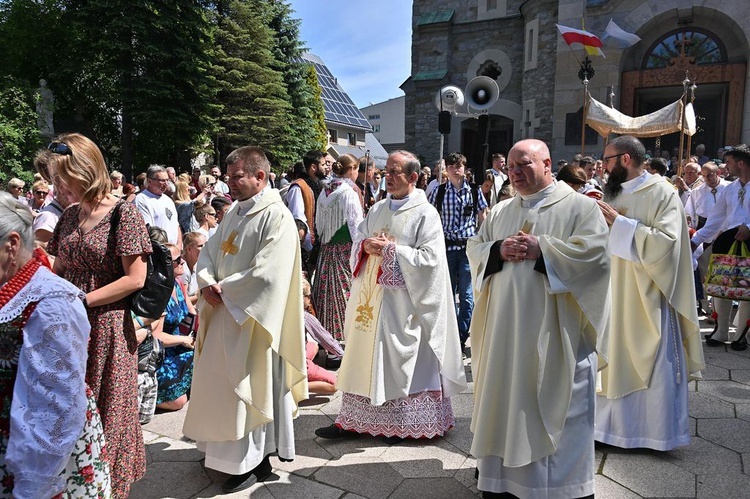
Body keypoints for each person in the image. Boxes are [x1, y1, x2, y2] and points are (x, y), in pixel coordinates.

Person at [467, 139, 610, 499]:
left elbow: (596, 258)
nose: (514, 172)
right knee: (506, 402)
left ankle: (562, 489)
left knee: (555, 405)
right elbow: (476, 249)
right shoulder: (500, 212)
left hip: (555, 334)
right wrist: (497, 250)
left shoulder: (580, 208)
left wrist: (543, 249)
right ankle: (500, 484)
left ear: (547, 164)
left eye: (524, 164)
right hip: (504, 334)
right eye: (511, 166)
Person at [315, 150, 467, 442]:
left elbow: (431, 261)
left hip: (405, 305)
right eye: (387, 171)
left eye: (395, 172)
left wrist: (392, 251)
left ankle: (404, 424)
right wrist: (365, 246)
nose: (388, 176)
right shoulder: (378, 208)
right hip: (371, 301)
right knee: (362, 355)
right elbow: (359, 237)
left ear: (413, 177)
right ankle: (353, 420)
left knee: (399, 361)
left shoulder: (426, 213)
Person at [183, 146, 307, 494]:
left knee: (249, 390)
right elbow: (208, 251)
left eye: (236, 176)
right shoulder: (236, 211)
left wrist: (224, 290)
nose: (230, 182)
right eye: (228, 176)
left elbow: (270, 275)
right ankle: (219, 452)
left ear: (260, 176)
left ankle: (251, 460)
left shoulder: (277, 216)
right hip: (223, 311)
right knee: (221, 389)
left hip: (251, 322)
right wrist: (206, 282)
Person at [47, 133, 151, 498]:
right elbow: (57, 267)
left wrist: (81, 300)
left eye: (61, 177)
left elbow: (135, 278)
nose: (56, 185)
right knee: (71, 409)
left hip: (105, 328)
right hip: (69, 327)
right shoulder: (70, 215)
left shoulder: (124, 213)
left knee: (108, 411)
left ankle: (112, 488)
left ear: (84, 170)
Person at [595, 135, 705, 451]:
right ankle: (605, 431)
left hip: (648, 294)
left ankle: (650, 434)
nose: (604, 166)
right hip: (612, 289)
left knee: (650, 358)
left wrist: (620, 224)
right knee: (610, 357)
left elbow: (668, 245)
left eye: (608, 160)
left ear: (625, 159)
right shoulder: (611, 192)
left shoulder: (662, 193)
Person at [0, 192, 111, 498]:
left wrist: (36, 478)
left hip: (41, 446)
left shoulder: (52, 302)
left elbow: (57, 399)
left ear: (11, 244)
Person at [428, 152, 489, 354]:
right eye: (452, 165)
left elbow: (484, 216)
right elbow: (427, 216)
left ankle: (461, 336)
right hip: (445, 247)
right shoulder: (438, 191)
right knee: (447, 293)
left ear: (465, 168)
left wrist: (484, 241)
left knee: (467, 295)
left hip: (467, 247)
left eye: (459, 165)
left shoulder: (473, 190)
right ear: (446, 169)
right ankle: (452, 335)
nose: (455, 168)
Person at [691, 146, 750, 347]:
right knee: (721, 283)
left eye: (729, 162)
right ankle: (721, 330)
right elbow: (715, 220)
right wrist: (696, 241)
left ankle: (742, 333)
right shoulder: (730, 189)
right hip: (727, 240)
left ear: (741, 163)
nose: (726, 167)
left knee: (747, 286)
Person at [312, 154, 364, 342]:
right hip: (344, 251)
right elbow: (356, 225)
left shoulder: (325, 191)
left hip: (326, 250)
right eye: (357, 169)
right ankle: (344, 340)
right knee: (345, 294)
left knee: (326, 293)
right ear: (351, 170)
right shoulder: (347, 192)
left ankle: (328, 340)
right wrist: (360, 250)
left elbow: (318, 224)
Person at [154, 244, 197, 411]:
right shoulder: (158, 291)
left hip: (181, 346)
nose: (183, 262)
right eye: (177, 260)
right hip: (162, 353)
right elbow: (157, 337)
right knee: (178, 402)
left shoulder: (178, 283)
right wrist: (185, 340)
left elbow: (192, 315)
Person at [302, 279, 343, 395]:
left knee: (313, 345)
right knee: (335, 385)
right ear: (302, 297)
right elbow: (327, 341)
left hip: (281, 361)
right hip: (300, 365)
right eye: (309, 296)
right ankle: (295, 388)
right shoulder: (305, 317)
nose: (310, 299)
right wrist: (345, 356)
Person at [135, 165, 182, 246]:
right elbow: (147, 231)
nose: (166, 184)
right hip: (158, 251)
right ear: (150, 181)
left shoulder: (168, 200)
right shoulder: (142, 200)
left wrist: (179, 246)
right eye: (162, 181)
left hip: (174, 251)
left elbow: (176, 225)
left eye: (167, 180)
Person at [181, 231, 207, 305]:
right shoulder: (182, 270)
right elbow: (182, 301)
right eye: (201, 246)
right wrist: (201, 294)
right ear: (189, 249)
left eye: (206, 245)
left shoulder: (198, 265)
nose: (205, 249)